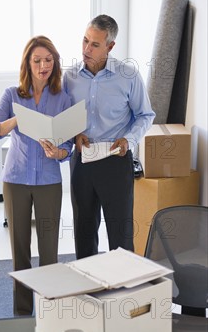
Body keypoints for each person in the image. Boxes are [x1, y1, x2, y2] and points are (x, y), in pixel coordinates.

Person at [0, 35, 73, 316]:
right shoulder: (11, 95)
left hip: (49, 182)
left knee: (49, 253)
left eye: (48, 60)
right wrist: (15, 121)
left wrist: (61, 153)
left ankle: (50, 314)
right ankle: (22, 314)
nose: (43, 65)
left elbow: (69, 145)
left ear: (54, 63)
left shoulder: (63, 98)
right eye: (37, 60)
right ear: (28, 63)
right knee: (19, 251)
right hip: (16, 181)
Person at [63, 14, 155, 258]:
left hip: (116, 161)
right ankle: (88, 290)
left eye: (94, 44)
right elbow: (61, 115)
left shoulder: (128, 76)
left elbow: (146, 115)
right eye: (84, 41)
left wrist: (130, 139)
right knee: (83, 232)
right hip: (82, 162)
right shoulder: (69, 77)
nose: (86, 49)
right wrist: (74, 135)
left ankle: (125, 292)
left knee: (120, 235)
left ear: (110, 46)